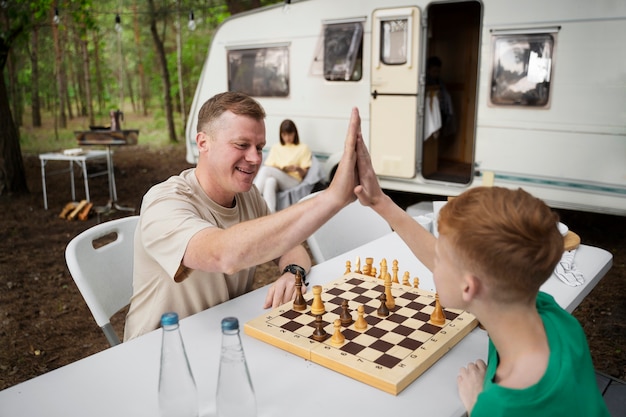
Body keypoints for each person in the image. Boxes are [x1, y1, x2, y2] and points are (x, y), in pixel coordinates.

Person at [352, 131, 609, 416]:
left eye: (440, 257)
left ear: (468, 287)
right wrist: (381, 204)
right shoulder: (551, 316)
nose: (434, 259)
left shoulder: (499, 407)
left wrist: (477, 404)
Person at [124, 92, 361, 341]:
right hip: (157, 350)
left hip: (221, 334)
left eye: (259, 147)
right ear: (203, 143)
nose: (256, 158)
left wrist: (293, 272)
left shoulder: (248, 194)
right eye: (241, 145)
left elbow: (290, 247)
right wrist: (330, 198)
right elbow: (223, 254)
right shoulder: (164, 201)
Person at [253, 119, 312, 212]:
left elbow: (304, 173)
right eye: (284, 135)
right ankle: (270, 213)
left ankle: (251, 197)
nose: (287, 137)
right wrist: (281, 169)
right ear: (281, 135)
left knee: (265, 170)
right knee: (270, 181)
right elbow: (269, 164)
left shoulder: (303, 148)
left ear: (295, 133)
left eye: (290, 134)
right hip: (279, 176)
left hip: (293, 180)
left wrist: (297, 168)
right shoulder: (276, 147)